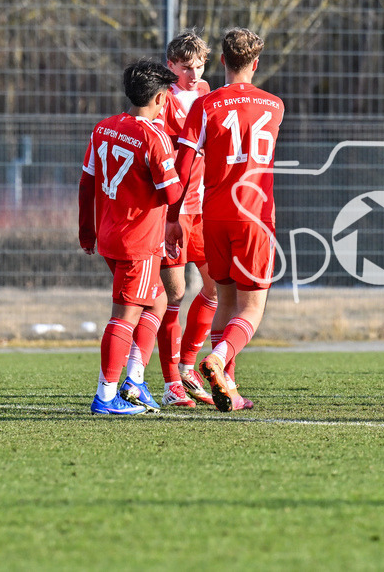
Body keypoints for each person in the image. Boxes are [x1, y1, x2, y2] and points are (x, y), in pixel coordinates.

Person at [166, 27, 284, 412]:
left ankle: (228, 387)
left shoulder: (205, 106)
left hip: (213, 215)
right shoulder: (274, 105)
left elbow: (183, 167)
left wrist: (172, 216)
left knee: (226, 301)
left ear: (221, 61)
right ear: (256, 64)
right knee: (251, 308)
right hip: (254, 215)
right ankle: (217, 360)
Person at [78, 59, 184, 415]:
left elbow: (87, 183)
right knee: (124, 315)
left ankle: (135, 380)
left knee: (156, 301)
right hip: (138, 242)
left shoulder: (103, 128)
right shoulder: (154, 137)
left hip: (109, 235)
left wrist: (87, 231)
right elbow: (172, 194)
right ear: (159, 98)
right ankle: (106, 396)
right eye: (167, 96)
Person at [145, 30, 219, 407]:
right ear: (170, 65)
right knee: (174, 293)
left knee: (215, 287)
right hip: (172, 210)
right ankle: (171, 382)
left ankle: (188, 365)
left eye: (199, 66)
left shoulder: (206, 91)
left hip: (203, 209)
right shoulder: (163, 100)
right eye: (186, 67)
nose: (193, 74)